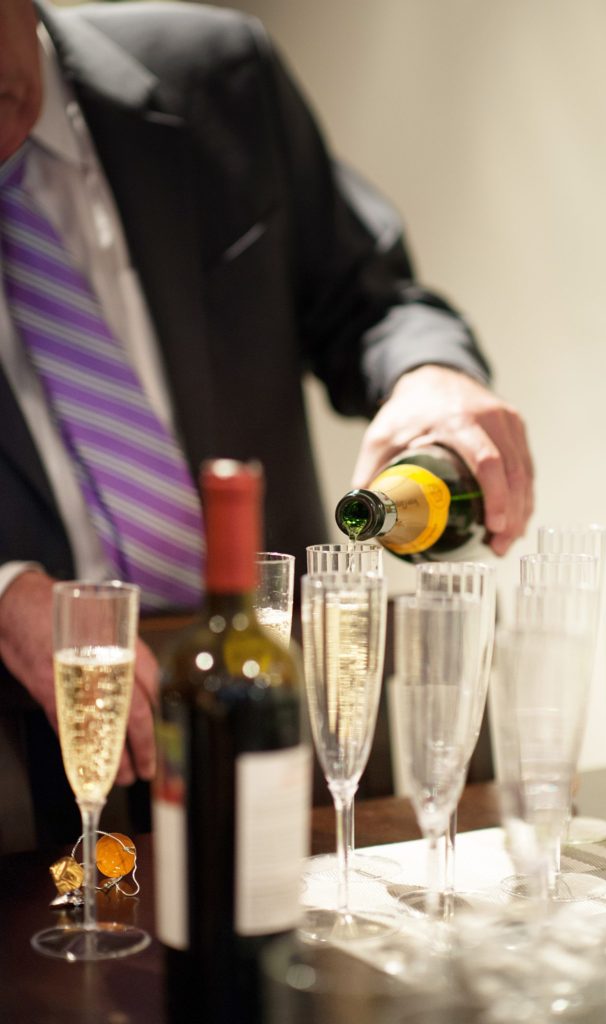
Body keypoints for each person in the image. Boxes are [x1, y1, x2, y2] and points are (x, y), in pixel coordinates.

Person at [0, 0, 533, 852]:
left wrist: (427, 374)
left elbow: (374, 302)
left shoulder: (219, 75)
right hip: (32, 787)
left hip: (294, 711)